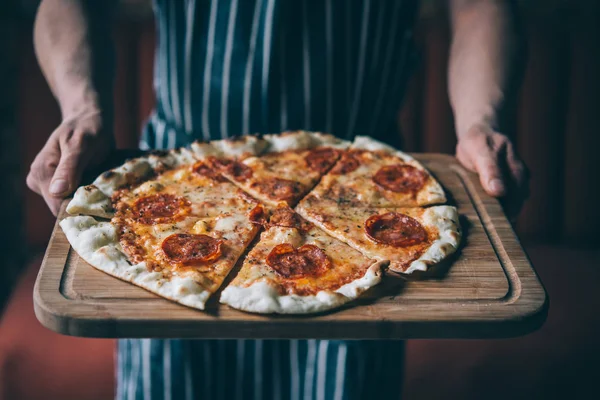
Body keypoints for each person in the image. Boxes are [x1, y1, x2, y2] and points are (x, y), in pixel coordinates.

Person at [27, 0, 528, 399]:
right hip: (179, 172)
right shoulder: (136, 232)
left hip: (359, 186)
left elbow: (479, 4)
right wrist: (81, 107)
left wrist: (480, 121)